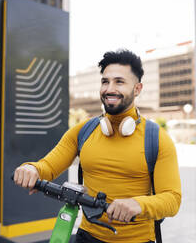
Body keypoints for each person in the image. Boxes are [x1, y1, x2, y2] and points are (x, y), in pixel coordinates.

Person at [13, 49, 182, 243]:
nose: (109, 89)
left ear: (137, 89)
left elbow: (172, 199)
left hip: (138, 240)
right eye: (105, 81)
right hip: (87, 237)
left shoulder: (157, 139)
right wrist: (31, 169)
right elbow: (48, 167)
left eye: (119, 81)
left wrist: (138, 204)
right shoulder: (83, 131)